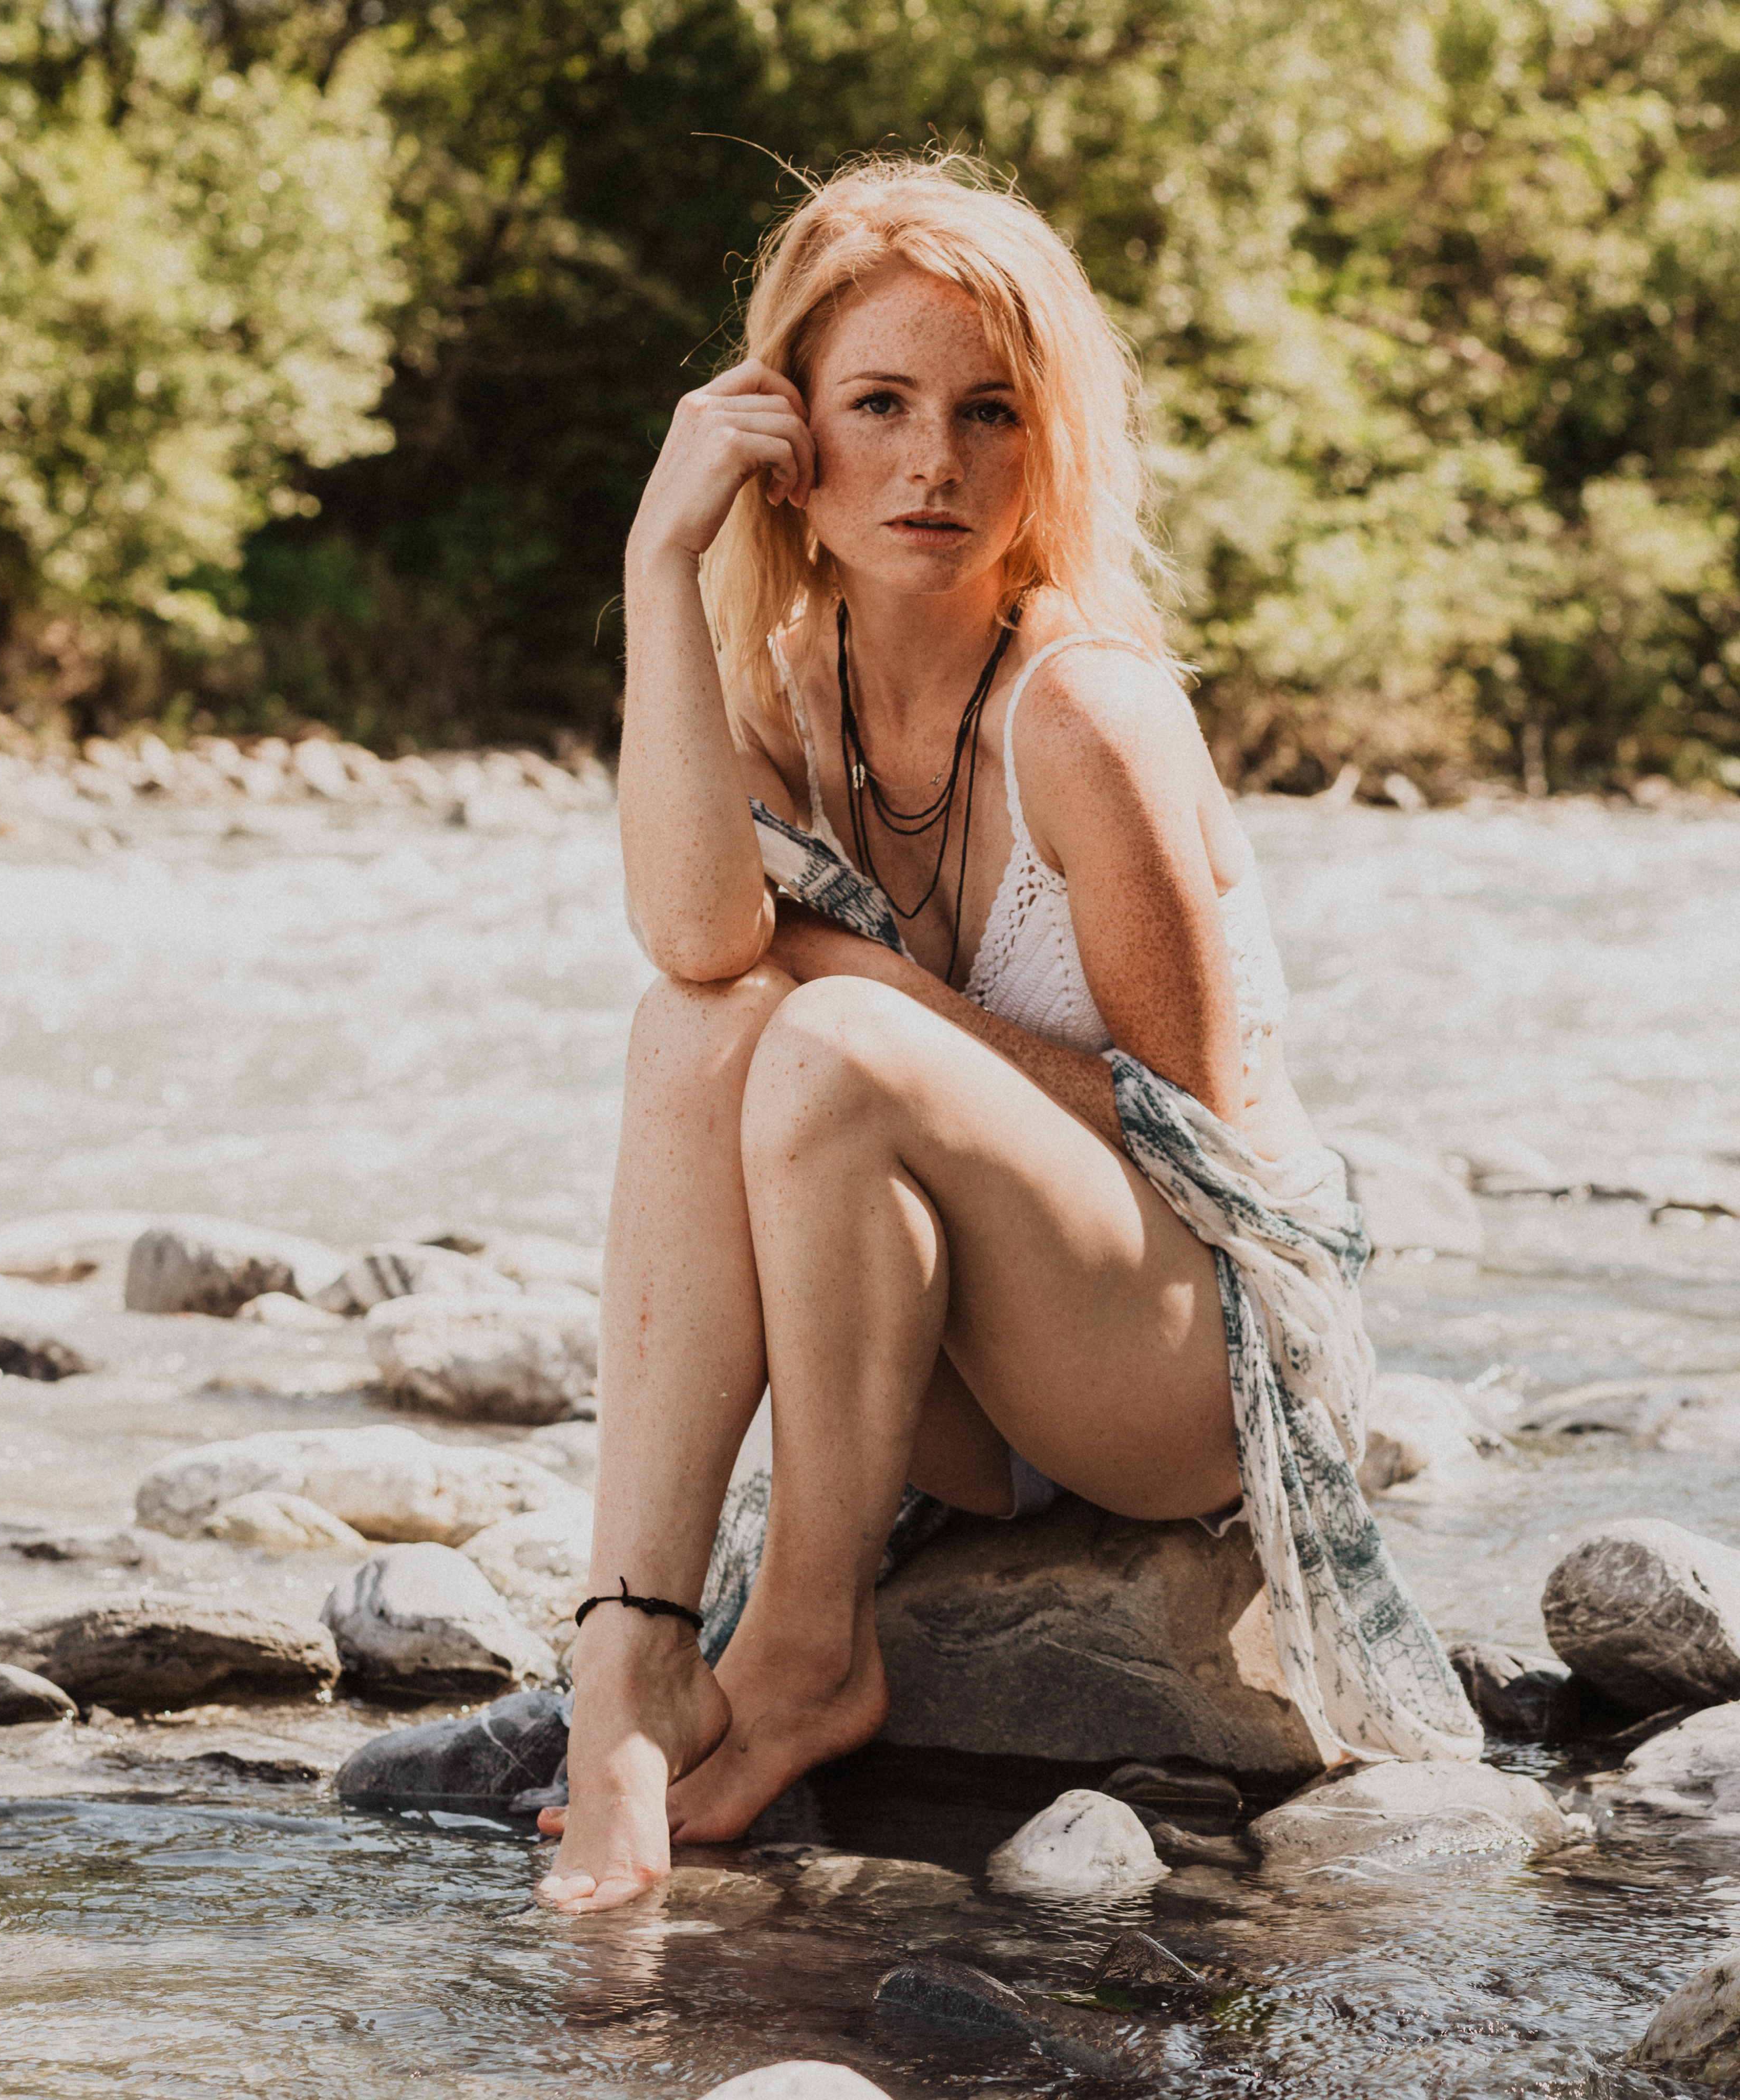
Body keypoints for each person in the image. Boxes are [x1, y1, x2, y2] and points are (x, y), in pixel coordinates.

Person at [540, 157, 1476, 1915]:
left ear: (1049, 449)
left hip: (1183, 1363)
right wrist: (658, 558)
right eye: (878, 404)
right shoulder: (770, 688)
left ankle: (809, 1647)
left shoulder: (1087, 710)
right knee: (700, 1030)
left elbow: (1197, 1141)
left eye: (990, 411)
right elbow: (693, 943)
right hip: (949, 1370)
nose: (935, 460)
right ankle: (636, 1651)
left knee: (821, 1046)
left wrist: (880, 1002)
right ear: (786, 436)